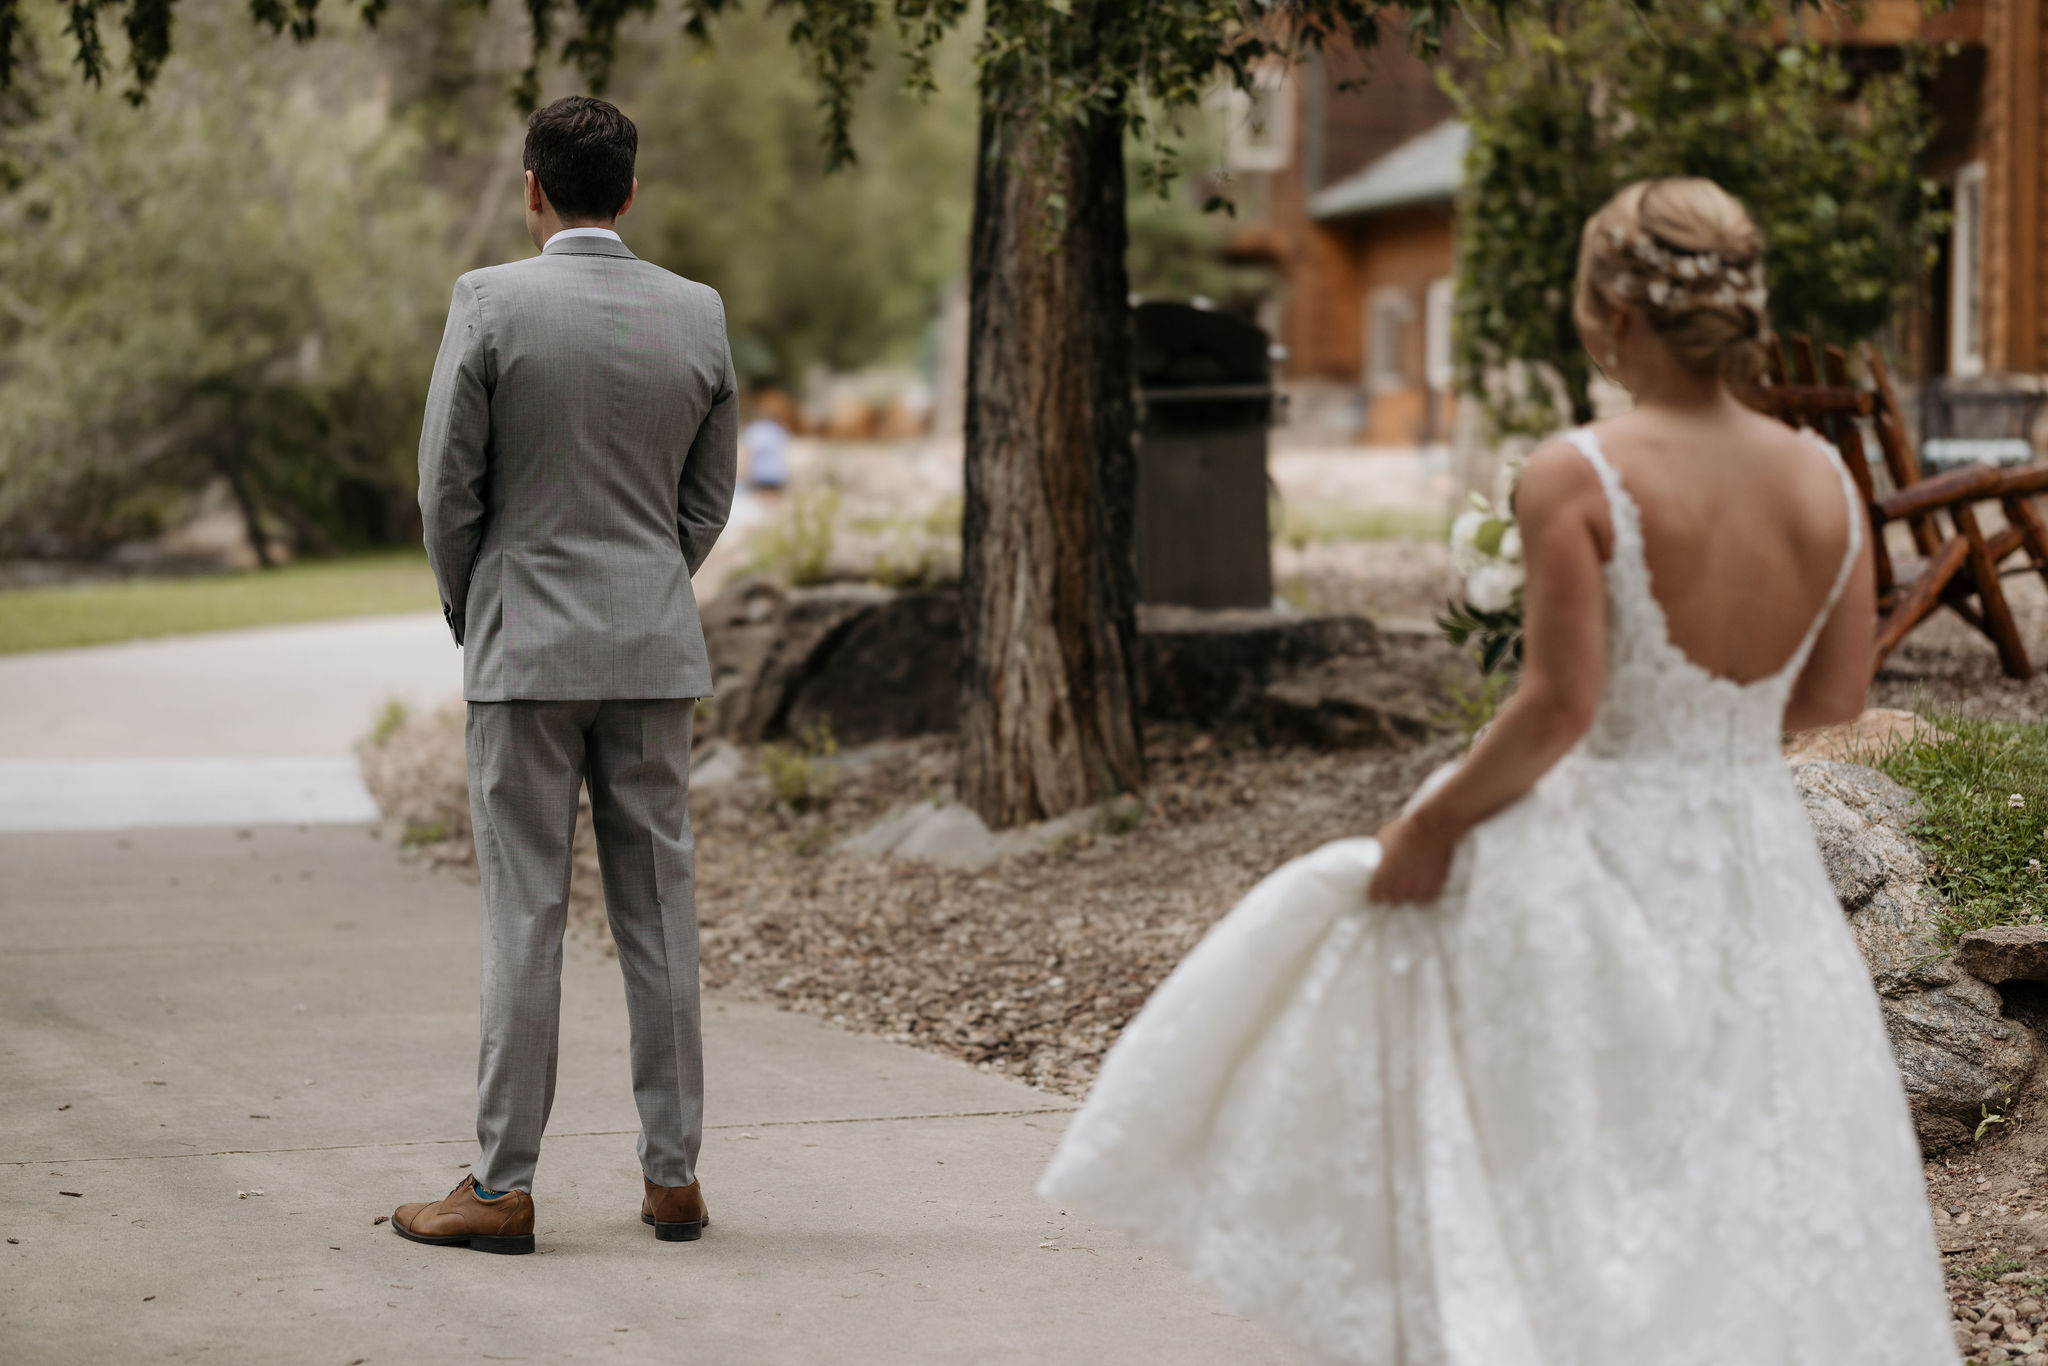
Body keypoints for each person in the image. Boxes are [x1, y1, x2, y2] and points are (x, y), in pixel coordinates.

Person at [1040, 179, 1957, 1363]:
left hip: (1606, 857)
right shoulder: (1826, 484)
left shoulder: (1577, 473)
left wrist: (1430, 825)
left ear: (1610, 316)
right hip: (1760, 870)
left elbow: (1558, 707)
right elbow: (1831, 701)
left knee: (1582, 1174)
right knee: (1751, 1166)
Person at [393, 95, 737, 1255]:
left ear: (531, 186)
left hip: (523, 650)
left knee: (524, 915)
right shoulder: (697, 313)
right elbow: (708, 496)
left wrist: (475, 605)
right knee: (660, 913)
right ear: (628, 192)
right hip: (649, 648)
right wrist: (647, 579)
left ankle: (500, 1187)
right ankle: (675, 1179)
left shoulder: (489, 301)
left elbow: (448, 485)